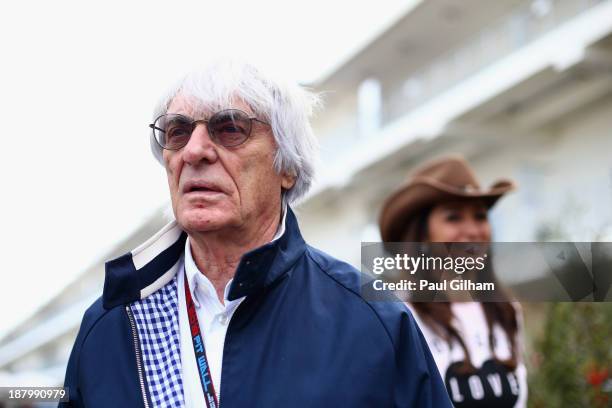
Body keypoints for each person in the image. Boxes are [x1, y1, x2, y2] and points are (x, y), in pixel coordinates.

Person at [60, 60, 452, 407]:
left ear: (288, 167)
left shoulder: (374, 321)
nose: (194, 151)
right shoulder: (109, 327)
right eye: (177, 131)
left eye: (229, 128)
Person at [378, 154, 527, 407]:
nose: (471, 230)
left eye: (480, 216)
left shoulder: (506, 310)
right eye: (453, 217)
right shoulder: (399, 316)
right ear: (423, 234)